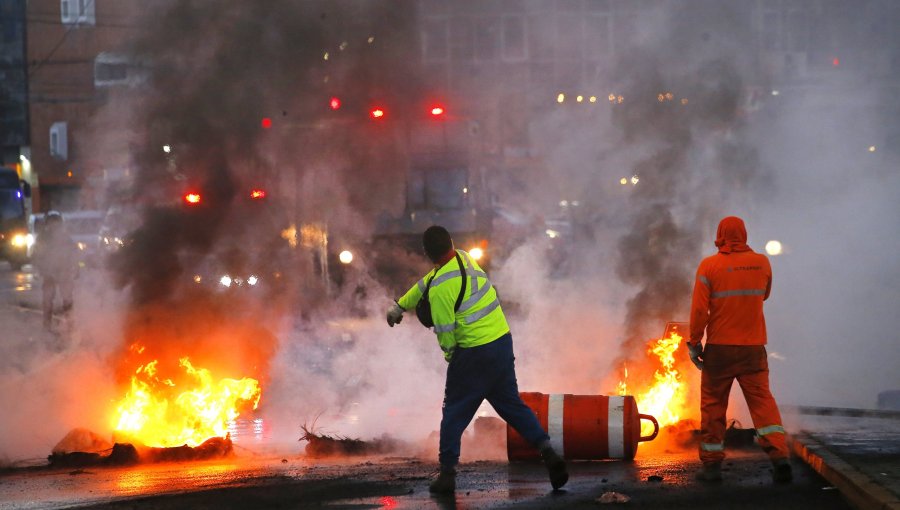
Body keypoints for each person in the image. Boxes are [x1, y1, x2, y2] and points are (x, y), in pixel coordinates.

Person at [386, 225, 568, 494]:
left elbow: (446, 335)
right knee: (512, 407)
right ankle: (548, 452)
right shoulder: (463, 258)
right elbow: (426, 282)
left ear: (427, 253)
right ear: (450, 243)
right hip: (501, 344)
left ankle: (447, 474)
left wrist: (452, 359)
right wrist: (400, 305)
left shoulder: (440, 292)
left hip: (472, 355)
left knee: (453, 414)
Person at [687, 216, 792, 483]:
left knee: (713, 407)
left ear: (720, 234)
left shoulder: (709, 266)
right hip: (753, 349)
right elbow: (764, 294)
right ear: (744, 234)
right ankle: (780, 459)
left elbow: (700, 310)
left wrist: (694, 342)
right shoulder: (762, 263)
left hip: (720, 351)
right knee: (763, 405)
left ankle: (711, 468)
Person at [32, 211, 78, 330]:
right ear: (48, 224)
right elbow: (36, 255)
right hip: (49, 273)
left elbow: (73, 253)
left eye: (56, 223)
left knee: (67, 300)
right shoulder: (42, 238)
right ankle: (47, 325)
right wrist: (41, 269)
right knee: (48, 301)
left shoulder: (65, 237)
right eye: (52, 223)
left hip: (64, 272)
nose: (54, 226)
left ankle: (70, 324)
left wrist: (75, 268)